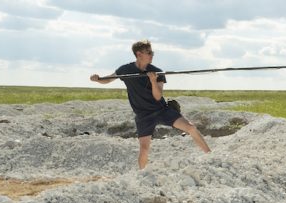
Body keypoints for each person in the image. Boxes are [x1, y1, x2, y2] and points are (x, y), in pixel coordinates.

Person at [90, 40, 210, 169]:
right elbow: (108, 79)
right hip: (143, 115)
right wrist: (98, 79)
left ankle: (210, 156)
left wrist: (153, 81)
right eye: (149, 52)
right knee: (144, 147)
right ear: (139, 54)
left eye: (152, 52)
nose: (152, 55)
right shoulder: (125, 69)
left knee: (191, 128)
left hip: (162, 110)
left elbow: (158, 96)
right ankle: (141, 174)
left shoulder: (157, 72)